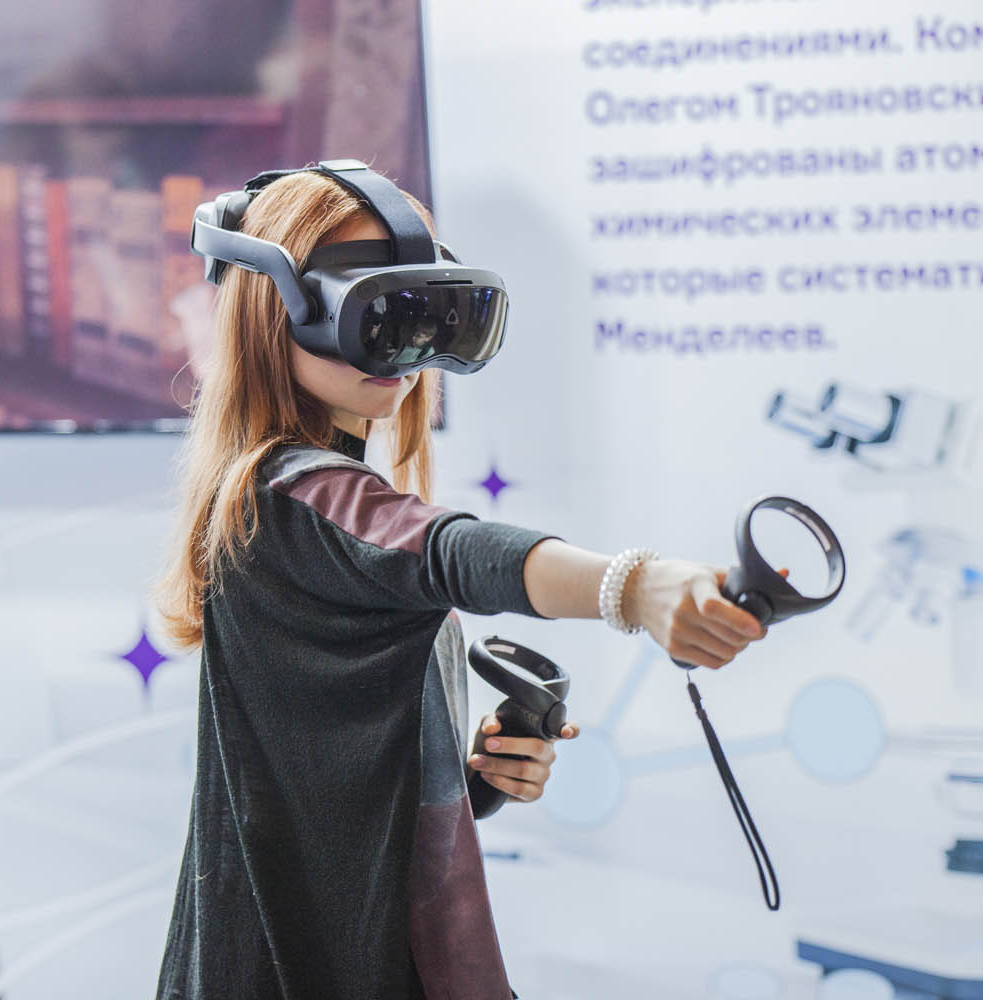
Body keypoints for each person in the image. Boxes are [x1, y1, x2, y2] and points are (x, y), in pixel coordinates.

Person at [151, 163, 767, 1000]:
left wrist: (467, 781)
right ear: (279, 311)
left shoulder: (297, 502)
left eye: (422, 313)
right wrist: (636, 587)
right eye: (372, 316)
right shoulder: (288, 496)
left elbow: (331, 795)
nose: (404, 351)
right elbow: (453, 551)